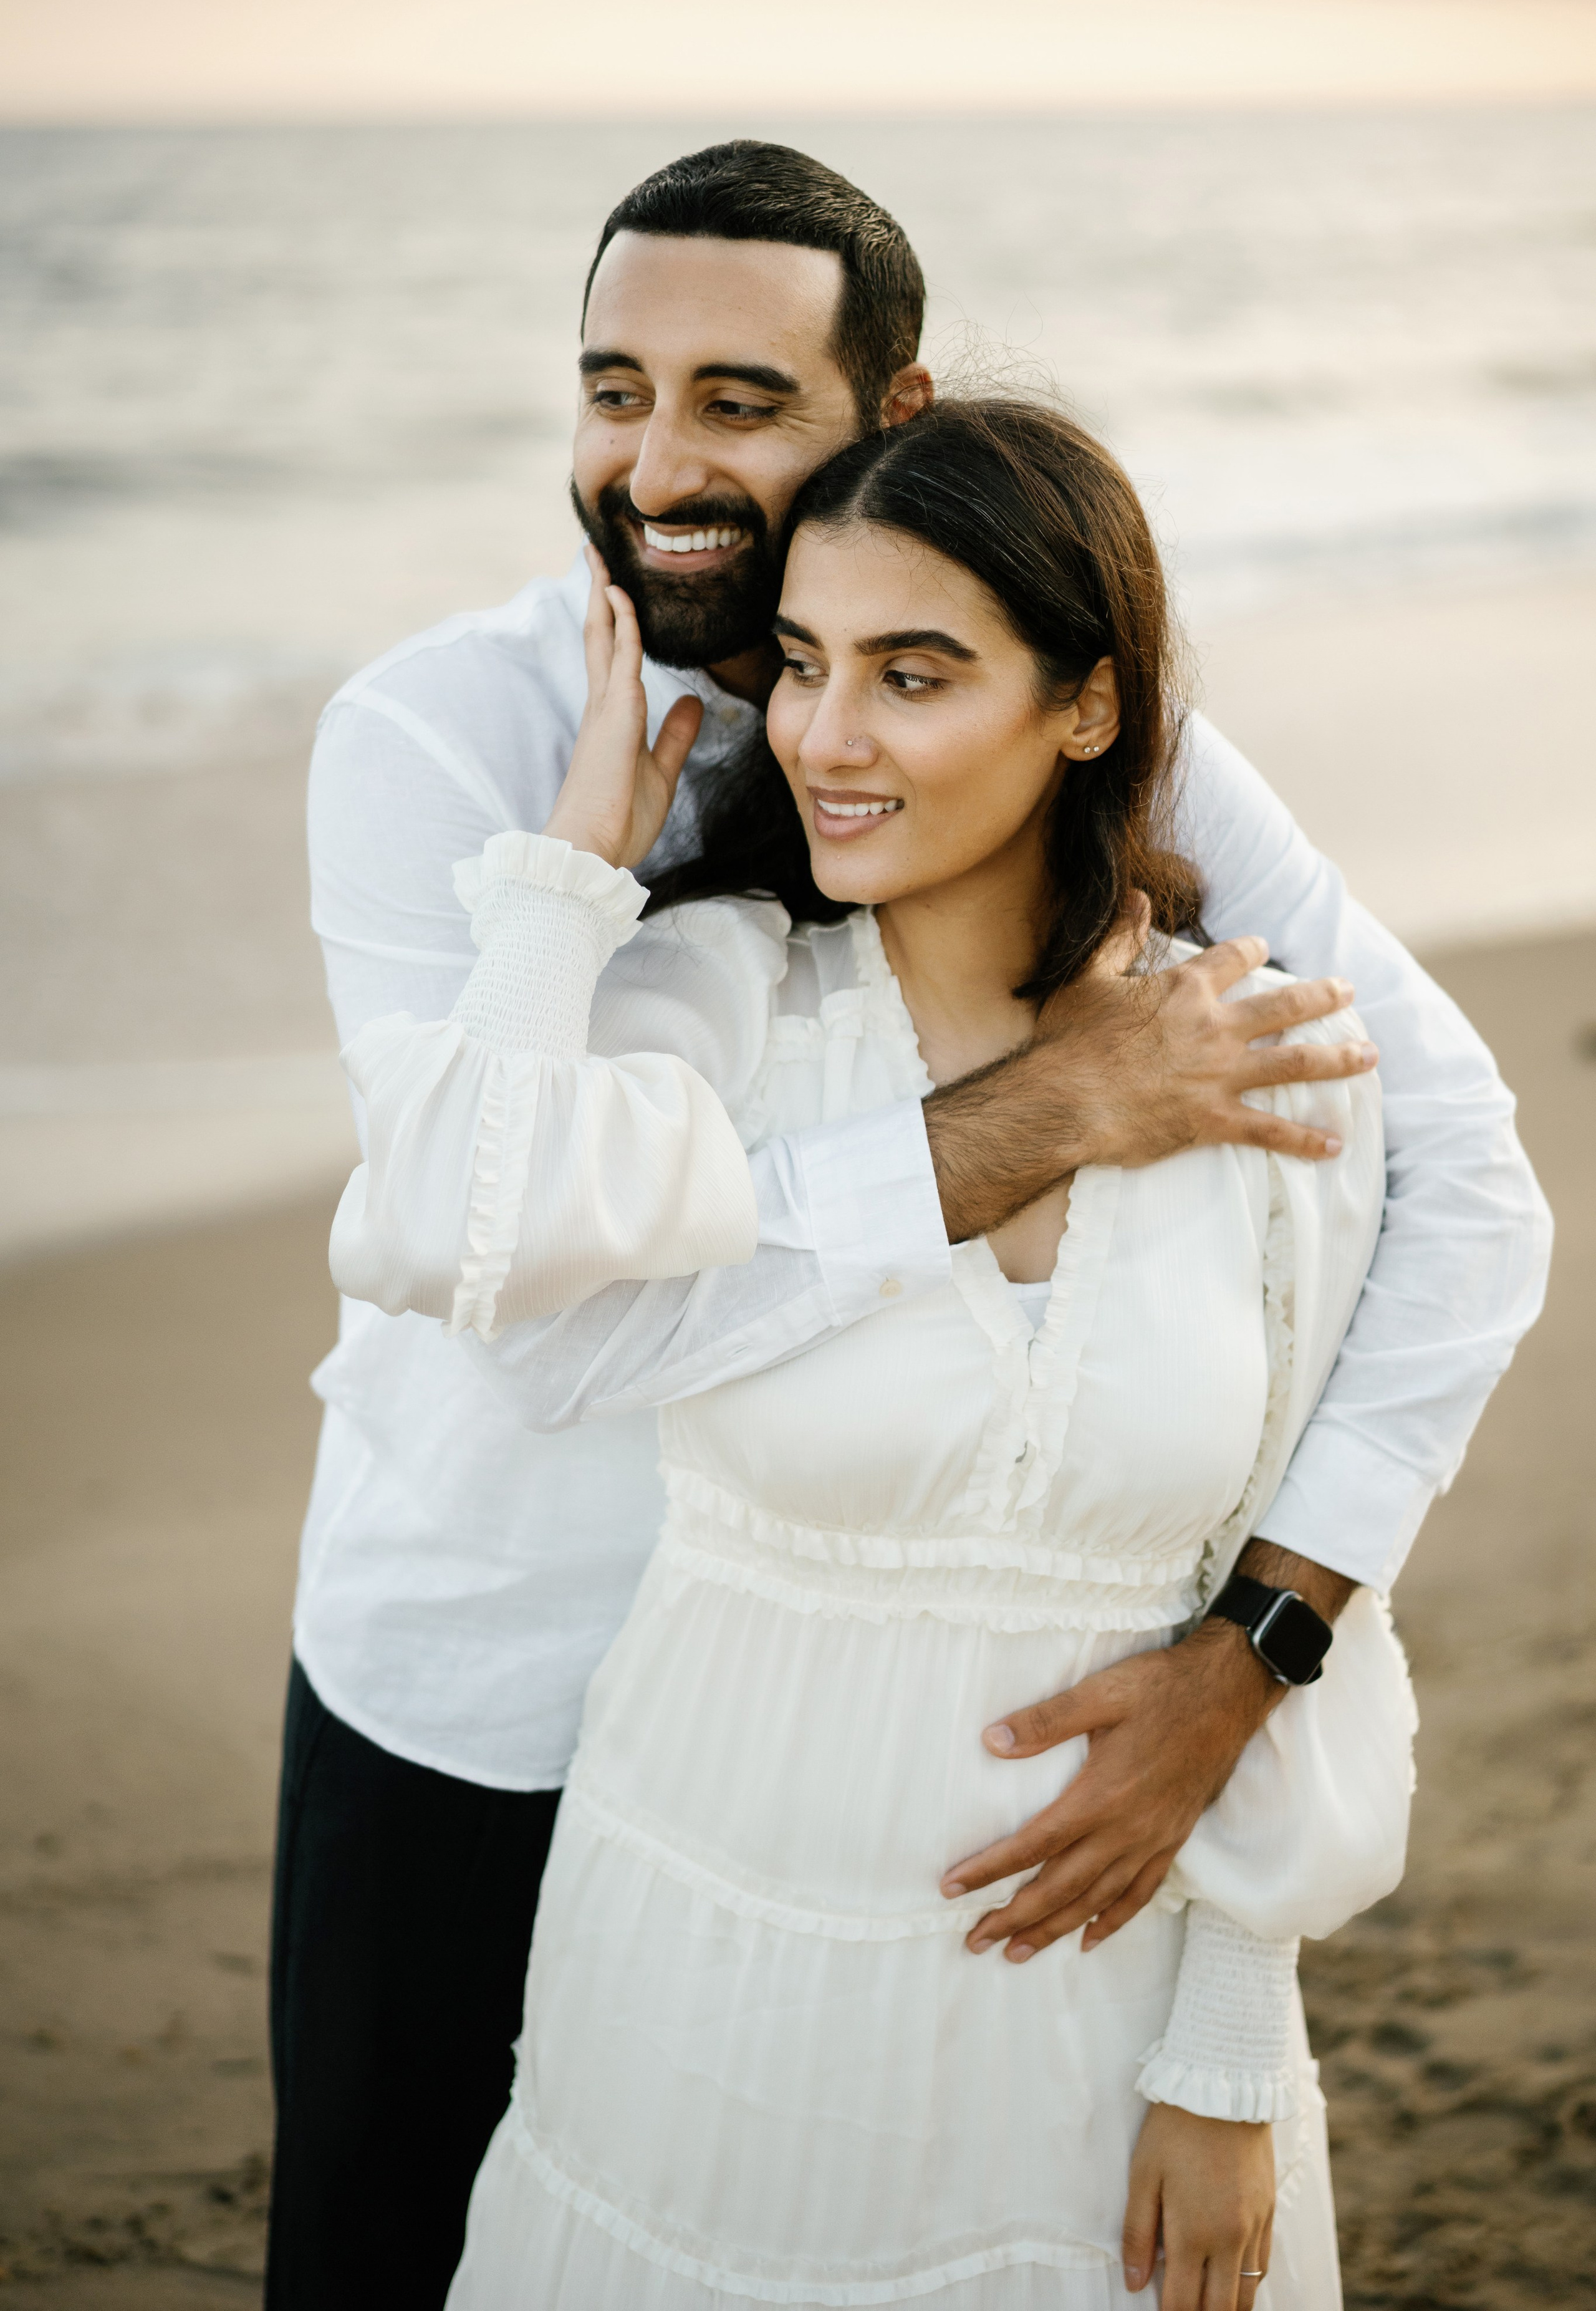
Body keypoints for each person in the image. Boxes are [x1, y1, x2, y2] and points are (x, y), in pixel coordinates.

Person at [269, 142, 1550, 2307]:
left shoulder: (1095, 759)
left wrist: (1262, 1652)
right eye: (612, 387)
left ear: (898, 407)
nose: (656, 458)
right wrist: (1029, 1122)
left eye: (741, 402)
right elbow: (498, 1259)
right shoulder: (438, 737)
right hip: (484, 1676)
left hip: (946, 1731)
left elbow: (1458, 1183)